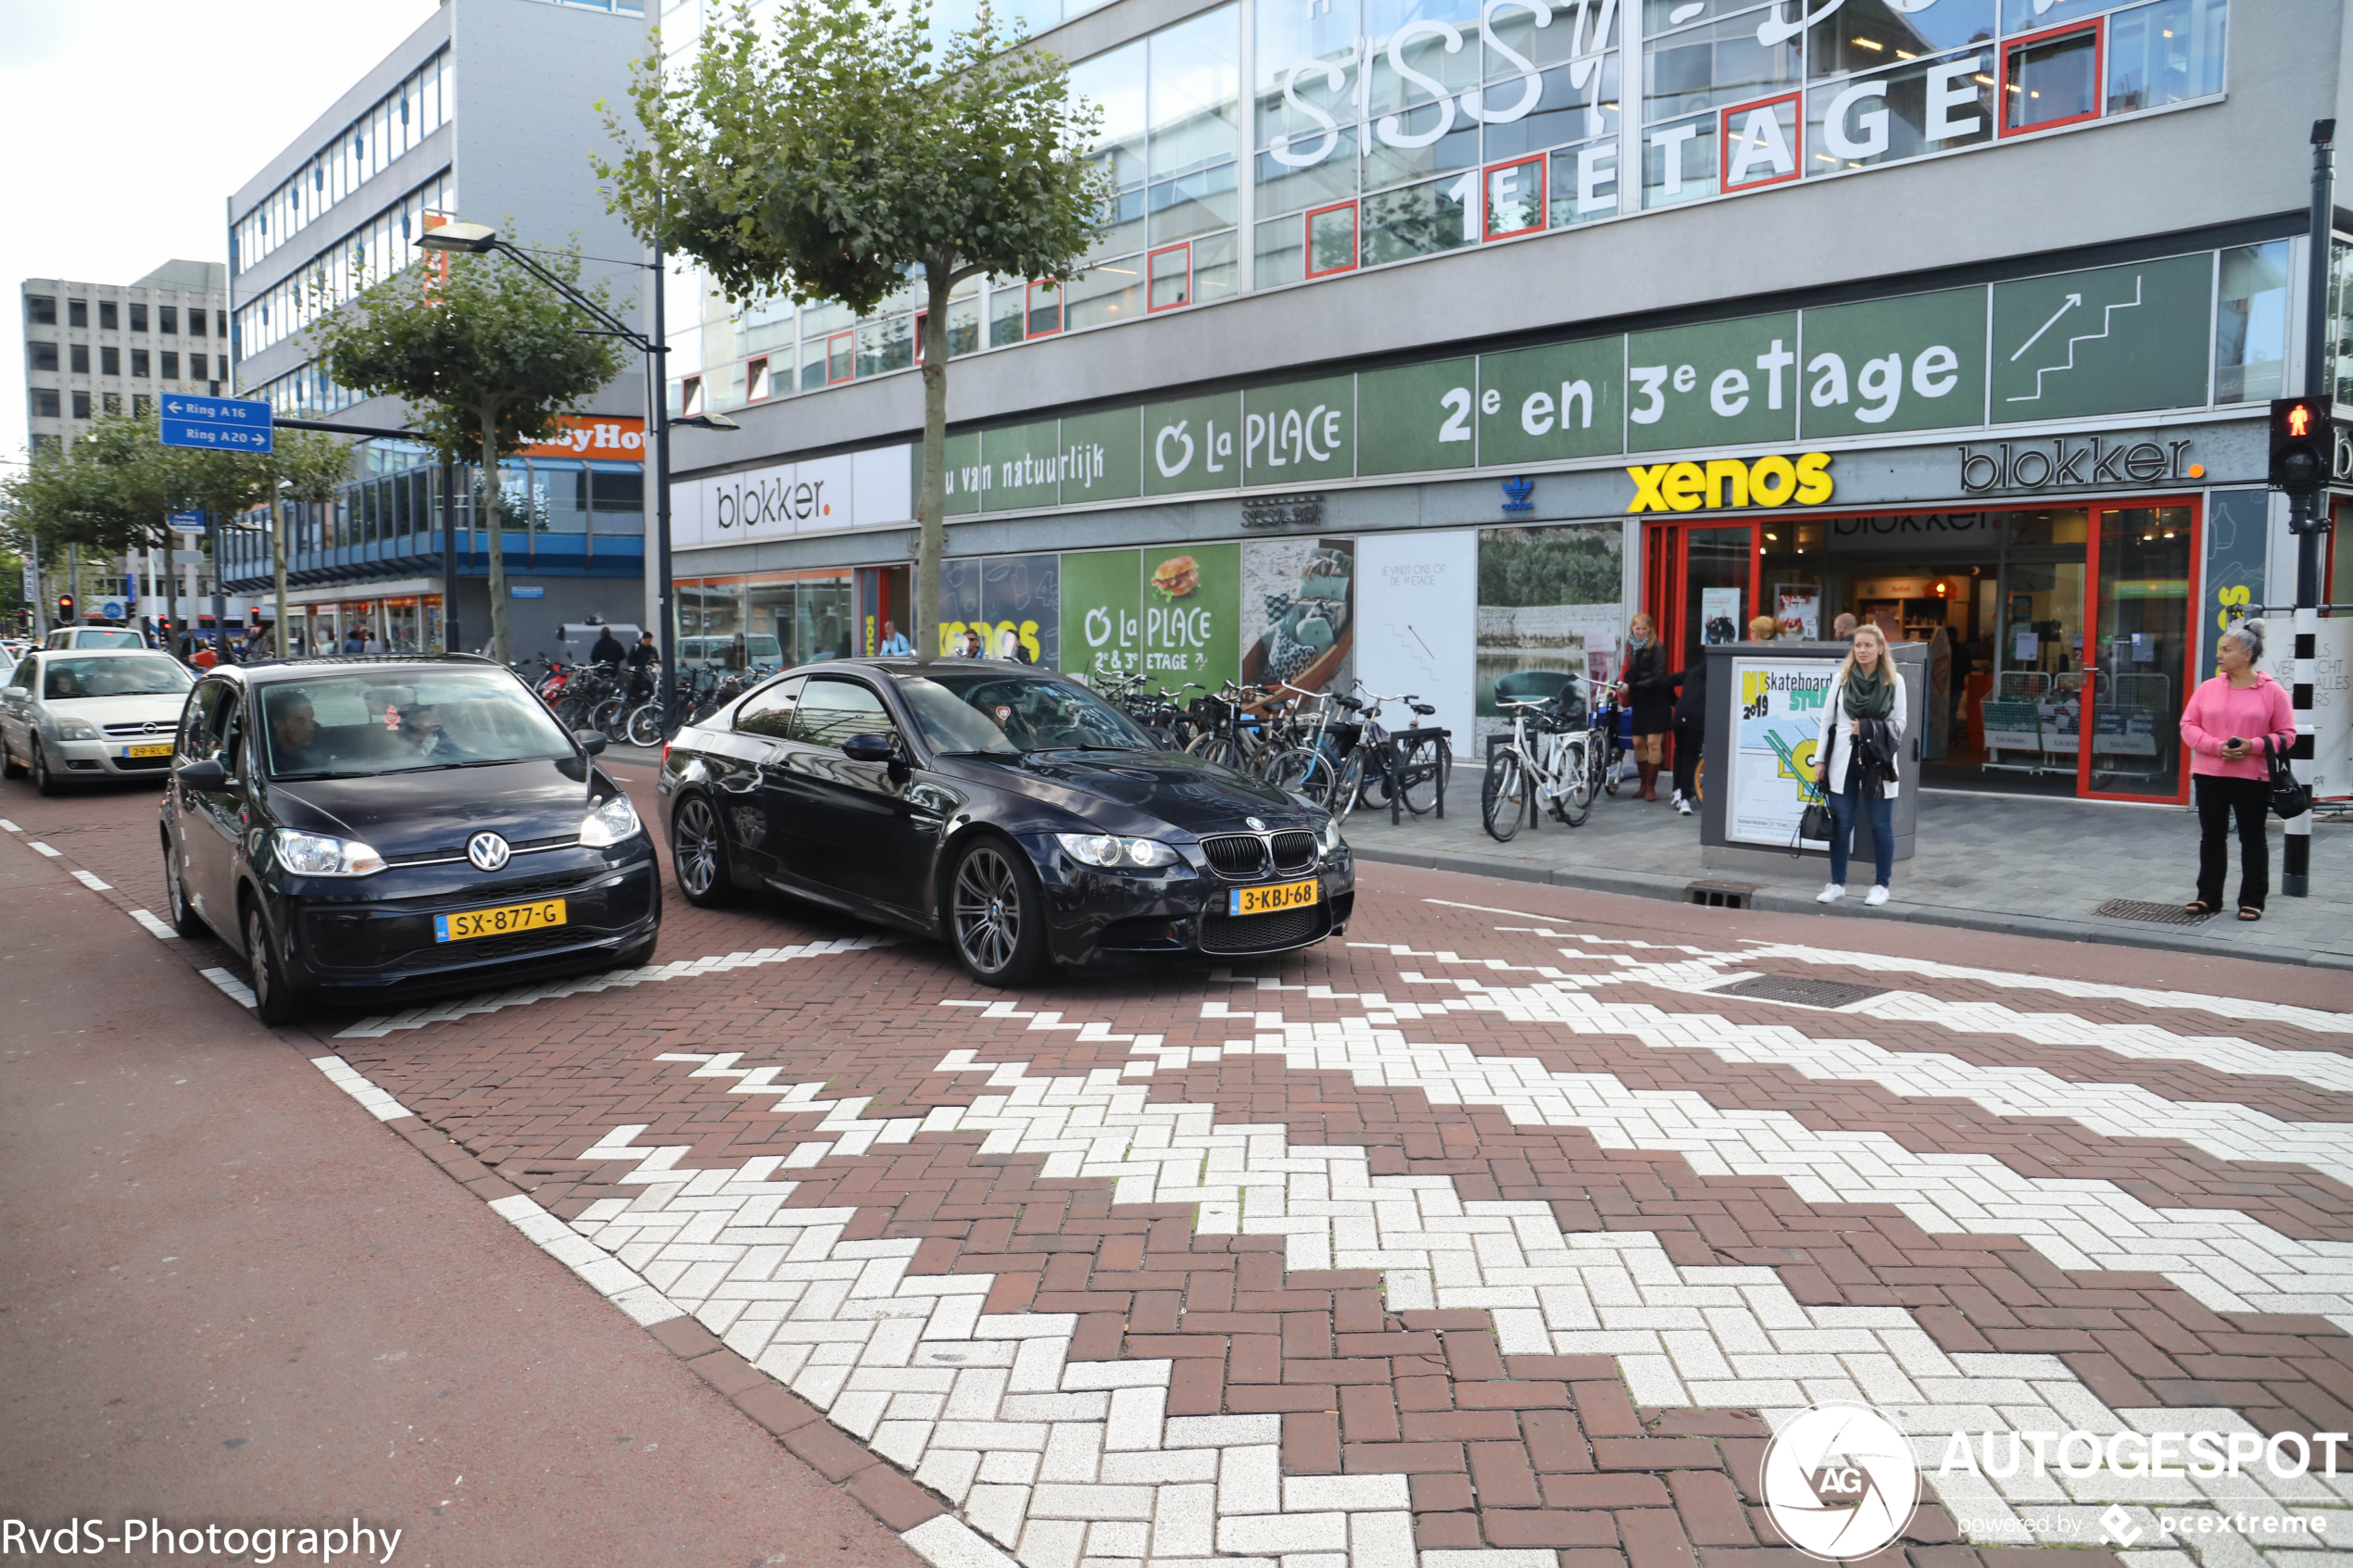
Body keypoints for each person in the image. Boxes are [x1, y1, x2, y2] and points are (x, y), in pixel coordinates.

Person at [2178, 621, 2295, 922]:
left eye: (2226, 649)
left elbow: (2287, 735)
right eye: (2220, 649)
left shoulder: (2272, 692)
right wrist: (2218, 747)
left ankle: (2252, 900)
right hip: (2210, 773)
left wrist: (2252, 745)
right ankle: (2208, 898)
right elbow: (2188, 726)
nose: (2219, 654)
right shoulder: (2207, 688)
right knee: (2211, 837)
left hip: (2252, 777)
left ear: (2247, 654)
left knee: (2252, 838)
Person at [1812, 623, 1907, 907]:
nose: (1862, 650)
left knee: (1880, 825)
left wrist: (1866, 728)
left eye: (1868, 645)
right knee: (1841, 825)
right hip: (1843, 761)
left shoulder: (1895, 681)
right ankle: (1837, 883)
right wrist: (1819, 760)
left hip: (1879, 762)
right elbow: (1827, 722)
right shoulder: (1841, 678)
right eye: (1857, 645)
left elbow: (1899, 724)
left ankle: (1881, 885)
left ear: (1880, 649)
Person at [1615, 612, 1676, 802]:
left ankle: (1651, 787)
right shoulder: (1631, 646)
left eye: (1643, 629)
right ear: (1632, 629)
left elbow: (1658, 677)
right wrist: (1618, 687)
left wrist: (1631, 686)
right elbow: (1627, 670)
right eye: (1637, 628)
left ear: (1650, 629)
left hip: (1657, 698)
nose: (1640, 632)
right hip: (1640, 699)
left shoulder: (1657, 648)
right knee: (1637, 742)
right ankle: (1642, 784)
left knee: (1653, 743)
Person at [1669, 654, 1705, 819]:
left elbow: (1667, 682)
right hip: (1698, 719)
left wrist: (1675, 702)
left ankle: (1677, 790)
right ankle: (1685, 798)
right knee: (1690, 757)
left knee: (1680, 752)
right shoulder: (1718, 676)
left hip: (1680, 716)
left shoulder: (1691, 672)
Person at [266, 691, 327, 772]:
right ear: (279, 724)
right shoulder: (268, 766)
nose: (310, 728)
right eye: (300, 721)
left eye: (311, 718)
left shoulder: (318, 749)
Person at [625, 631, 660, 702]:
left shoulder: (652, 649)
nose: (648, 643)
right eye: (647, 641)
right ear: (642, 639)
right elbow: (629, 660)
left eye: (650, 641)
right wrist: (636, 667)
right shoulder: (636, 647)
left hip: (649, 674)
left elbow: (656, 660)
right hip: (638, 674)